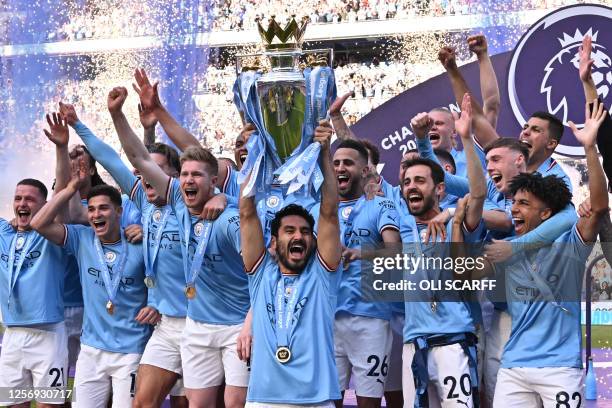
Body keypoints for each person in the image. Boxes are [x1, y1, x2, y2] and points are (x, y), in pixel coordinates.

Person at [454, 99, 608, 407]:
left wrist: (590, 148)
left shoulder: (570, 244)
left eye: (524, 204)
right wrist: (457, 222)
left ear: (546, 212)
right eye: (514, 203)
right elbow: (463, 275)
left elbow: (600, 206)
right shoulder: (505, 251)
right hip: (514, 367)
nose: (514, 210)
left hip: (559, 368)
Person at [108, 86, 250, 408]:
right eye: (184, 174)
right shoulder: (175, 201)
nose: (188, 180)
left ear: (214, 181)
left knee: (235, 404)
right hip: (196, 324)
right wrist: (117, 115)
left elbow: (259, 273)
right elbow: (139, 158)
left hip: (236, 324)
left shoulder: (230, 221)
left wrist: (252, 324)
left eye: (197, 175)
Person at [59, 95, 198, 408]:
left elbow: (146, 159)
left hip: (199, 321)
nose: (146, 176)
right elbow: (115, 159)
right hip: (163, 324)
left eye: (157, 171)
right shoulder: (144, 206)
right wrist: (97, 118)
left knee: (191, 403)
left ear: (172, 177)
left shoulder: (188, 205)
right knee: (141, 404)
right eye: (145, 172)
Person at [239, 118, 343, 407]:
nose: (299, 236)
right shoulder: (260, 273)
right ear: (272, 243)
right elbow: (247, 213)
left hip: (316, 400)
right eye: (289, 231)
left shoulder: (323, 275)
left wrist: (324, 152)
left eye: (305, 232)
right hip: (263, 400)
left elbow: (330, 212)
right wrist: (254, 152)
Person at [31, 166, 153, 408]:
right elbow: (39, 223)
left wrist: (155, 304)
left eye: (104, 208)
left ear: (119, 212)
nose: (96, 214)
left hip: (131, 351)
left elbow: (160, 283)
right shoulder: (82, 238)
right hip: (91, 350)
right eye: (92, 209)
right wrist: (70, 189)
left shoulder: (140, 244)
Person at [401, 93, 486, 407]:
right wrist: (421, 141)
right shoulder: (400, 218)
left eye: (420, 182)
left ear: (439, 189)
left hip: (452, 342)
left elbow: (478, 192)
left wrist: (465, 139)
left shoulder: (458, 220)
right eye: (407, 182)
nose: (411, 186)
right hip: (413, 343)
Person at [310, 136, 401, 408]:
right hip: (328, 319)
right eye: (335, 163)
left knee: (368, 403)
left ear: (364, 171)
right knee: (328, 401)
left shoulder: (381, 204)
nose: (340, 168)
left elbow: (396, 252)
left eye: (348, 163)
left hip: (370, 319)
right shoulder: (320, 210)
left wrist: (361, 253)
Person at [0, 178, 70, 407]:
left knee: (49, 405)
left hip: (48, 336)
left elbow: (61, 195)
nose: (22, 203)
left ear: (44, 204)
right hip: (12, 335)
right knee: (13, 405)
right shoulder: (3, 232)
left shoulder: (51, 235)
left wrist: (61, 148)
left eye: (30, 199)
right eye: (18, 198)